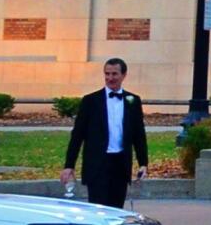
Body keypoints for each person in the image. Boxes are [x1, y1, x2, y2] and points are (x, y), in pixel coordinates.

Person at [60, 58, 149, 209]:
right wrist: (69, 165)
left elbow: (139, 135)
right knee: (98, 211)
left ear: (124, 75)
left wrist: (143, 163)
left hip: (121, 164)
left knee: (116, 211)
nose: (110, 78)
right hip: (97, 165)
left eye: (114, 74)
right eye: (107, 74)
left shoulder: (133, 100)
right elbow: (77, 135)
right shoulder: (90, 101)